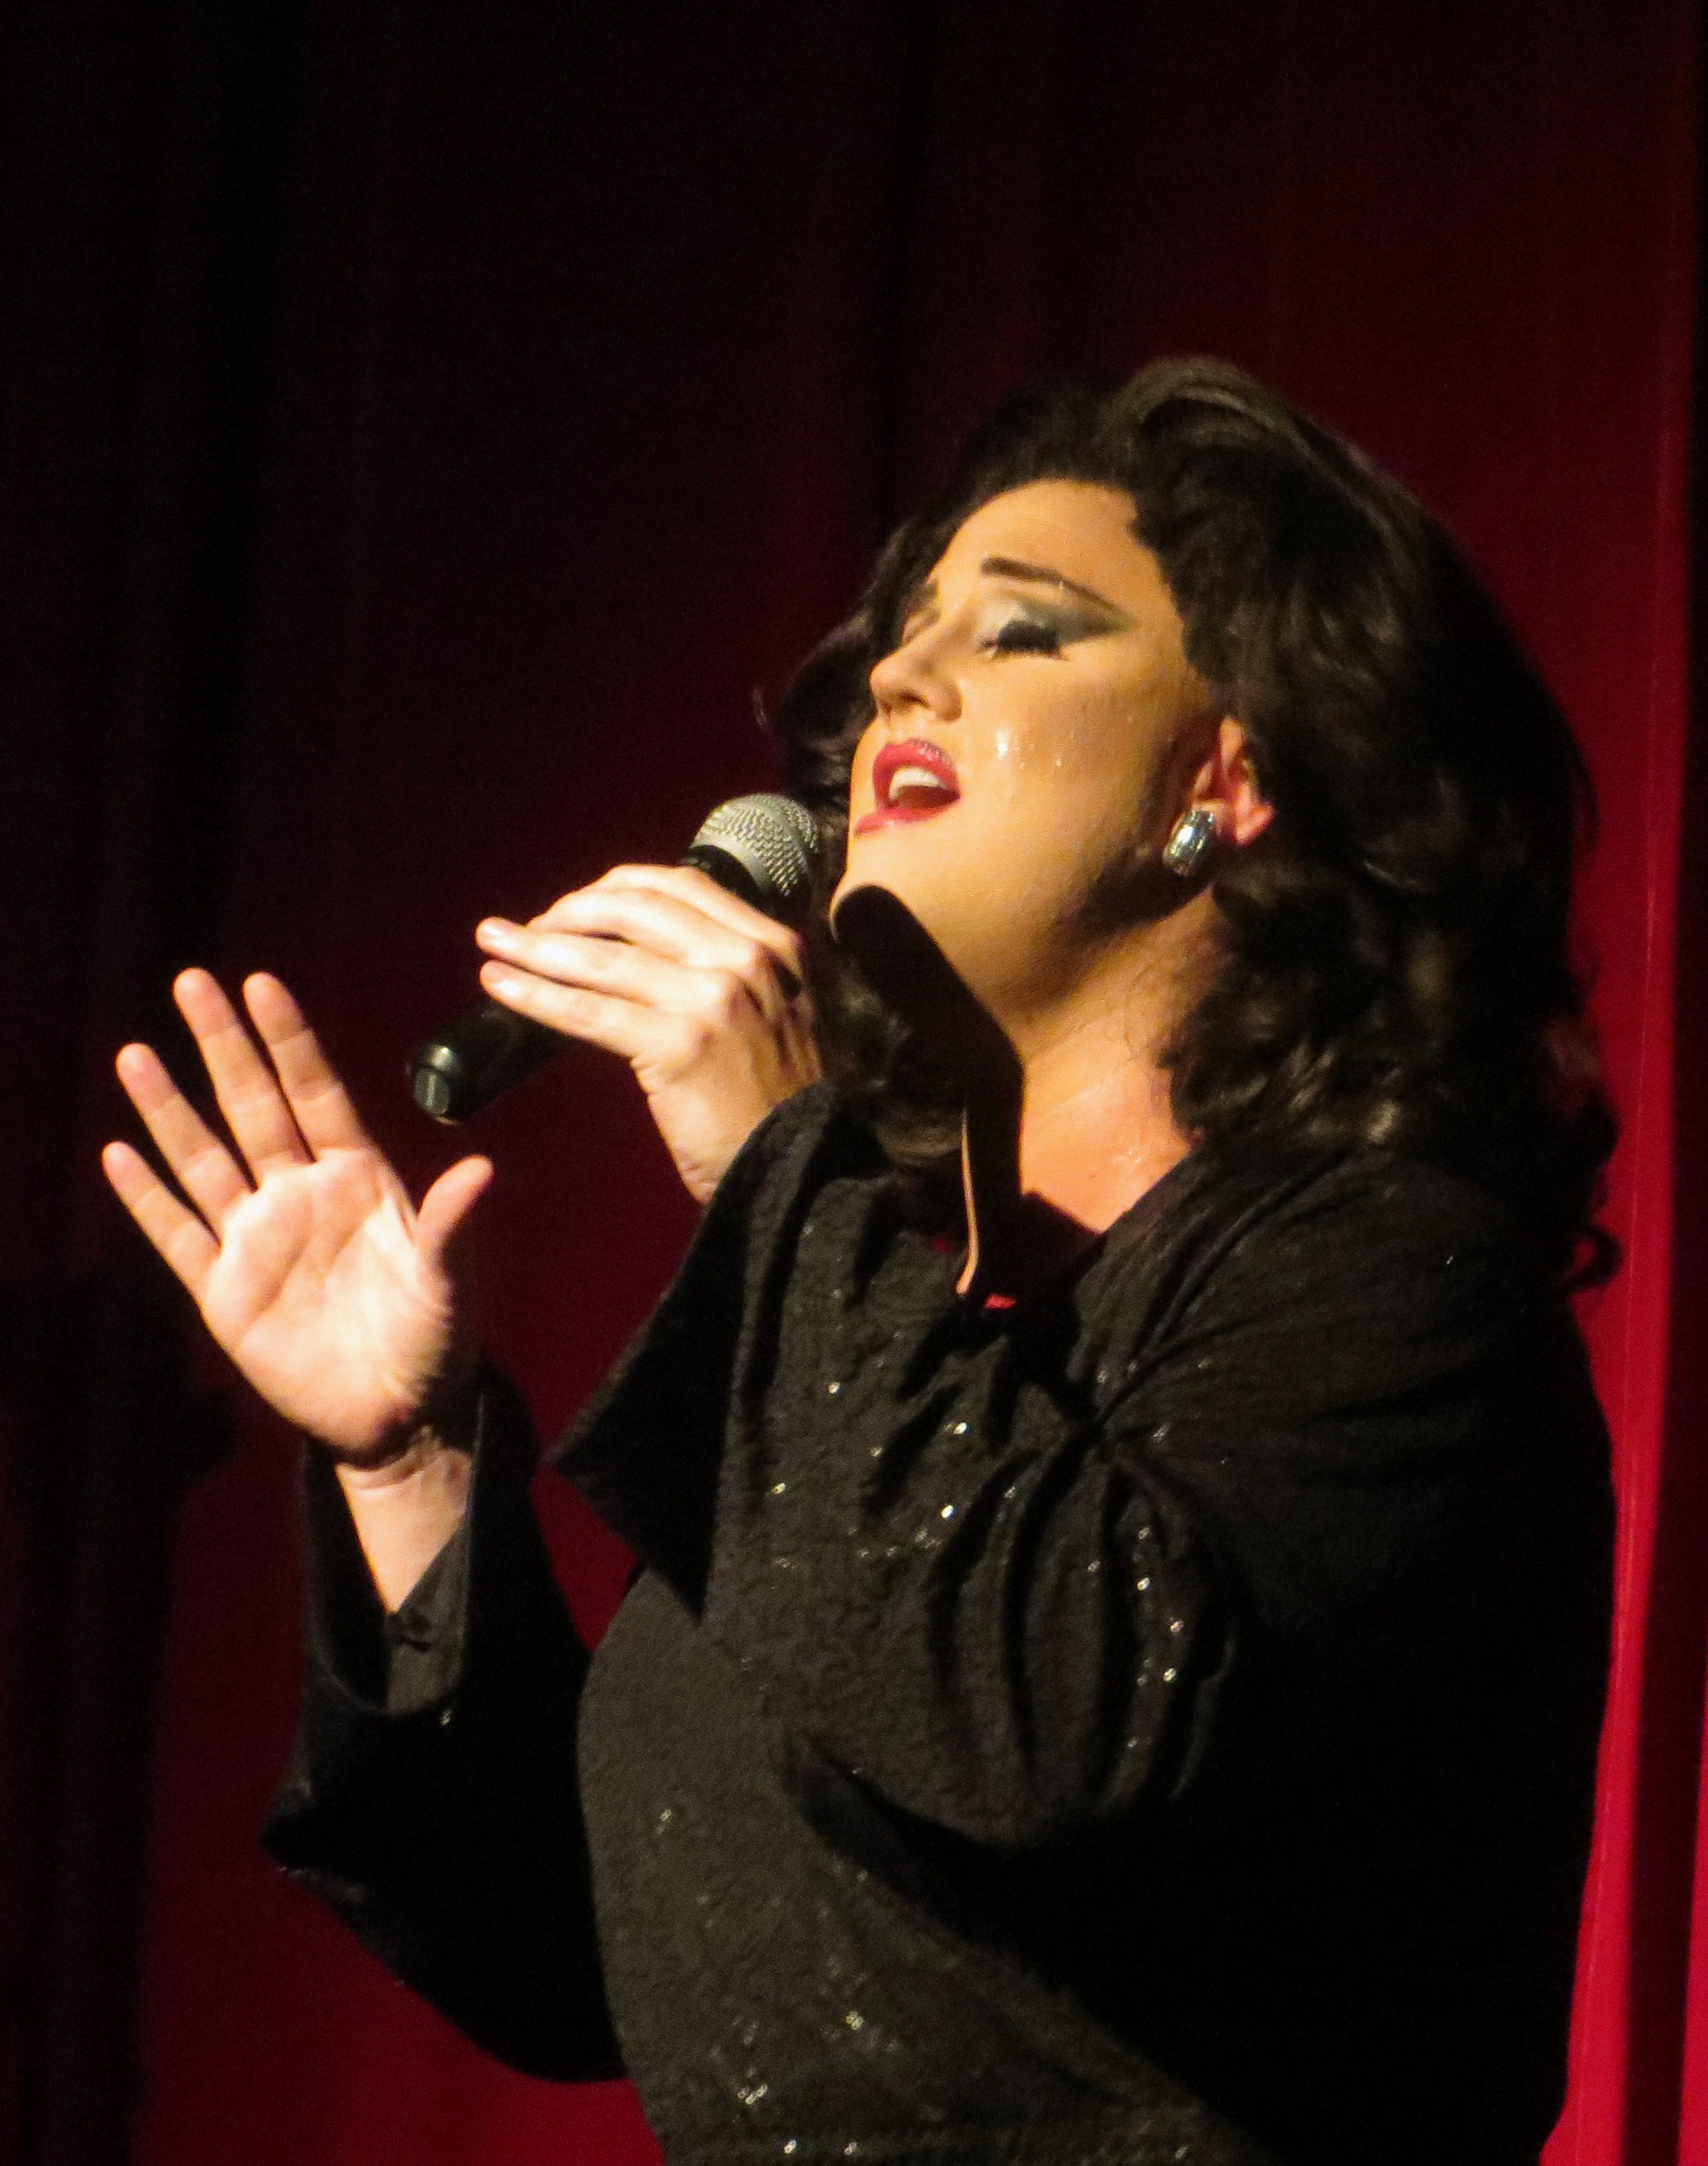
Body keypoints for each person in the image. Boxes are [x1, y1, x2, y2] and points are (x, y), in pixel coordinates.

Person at [103, 358, 1618, 2164]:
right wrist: (409, 1467)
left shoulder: (1384, 1277)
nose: (904, 676)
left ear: (1221, 783)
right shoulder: (893, 1334)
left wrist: (771, 1162)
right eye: (907, 638)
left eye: (1025, 632)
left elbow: (1056, 1720)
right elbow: (574, 1949)